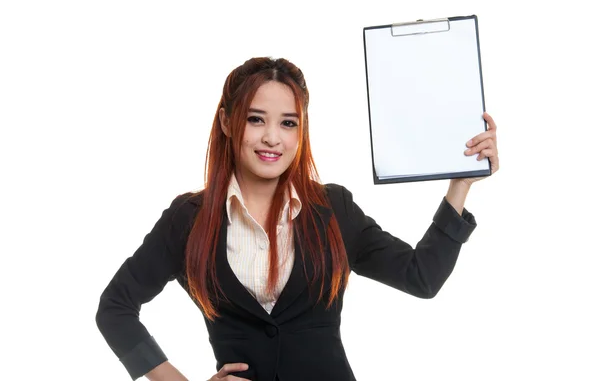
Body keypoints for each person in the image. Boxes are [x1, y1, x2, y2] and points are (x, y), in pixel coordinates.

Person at [95, 57, 500, 381]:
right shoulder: (189, 219)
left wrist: (460, 184)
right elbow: (115, 307)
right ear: (226, 123)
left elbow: (421, 277)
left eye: (288, 123)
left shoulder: (332, 209)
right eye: (256, 119)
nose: (273, 137)